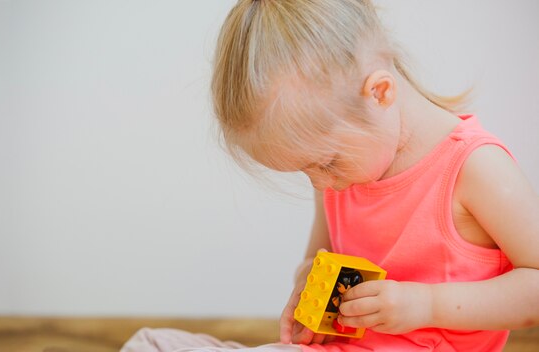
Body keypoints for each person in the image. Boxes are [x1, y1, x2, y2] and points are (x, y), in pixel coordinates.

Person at [121, 0, 539, 351]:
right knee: (149, 345)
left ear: (380, 93)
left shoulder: (475, 168)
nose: (321, 183)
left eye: (324, 162)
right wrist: (307, 289)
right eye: (306, 170)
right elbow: (315, 260)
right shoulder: (342, 177)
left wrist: (427, 305)